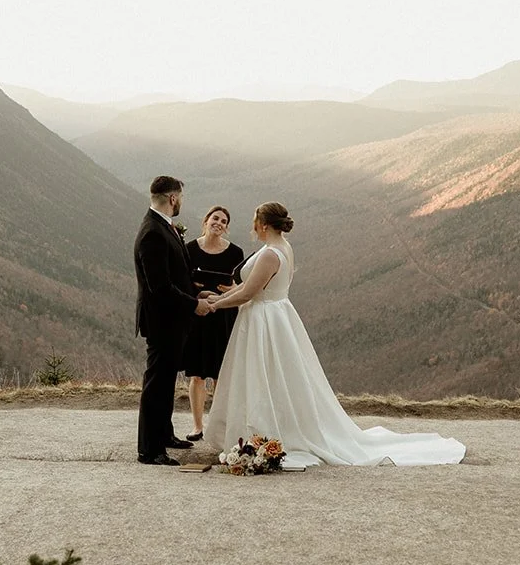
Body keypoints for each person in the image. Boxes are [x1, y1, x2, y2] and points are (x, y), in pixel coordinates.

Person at [202, 202, 465, 468]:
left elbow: (249, 293)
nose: (252, 226)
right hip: (277, 316)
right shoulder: (284, 248)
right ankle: (271, 429)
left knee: (262, 375)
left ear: (264, 224)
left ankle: (267, 432)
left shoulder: (271, 254)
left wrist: (214, 305)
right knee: (278, 377)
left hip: (264, 320)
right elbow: (248, 288)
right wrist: (222, 296)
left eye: (255, 221)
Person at [132, 175, 211, 466]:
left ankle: (164, 435)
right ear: (173, 198)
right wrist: (194, 305)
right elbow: (160, 286)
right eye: (181, 198)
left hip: (172, 319)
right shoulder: (153, 232)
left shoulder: (164, 227)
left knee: (165, 382)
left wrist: (196, 289)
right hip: (162, 320)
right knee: (156, 383)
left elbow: (175, 273)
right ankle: (149, 450)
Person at [181, 205, 245, 441]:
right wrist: (197, 293)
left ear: (226, 228)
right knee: (197, 374)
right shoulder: (188, 249)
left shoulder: (235, 253)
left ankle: (217, 426)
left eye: (224, 221)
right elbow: (181, 280)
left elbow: (242, 285)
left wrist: (230, 291)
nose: (218, 223)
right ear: (205, 221)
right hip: (198, 314)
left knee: (220, 373)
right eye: (215, 218)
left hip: (224, 315)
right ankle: (197, 426)